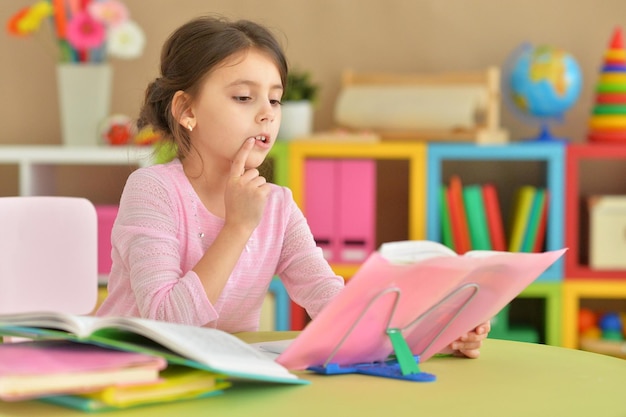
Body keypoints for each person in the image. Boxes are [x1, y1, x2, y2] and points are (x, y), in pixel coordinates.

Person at [97, 15, 490, 358]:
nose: (267, 113)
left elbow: (334, 304)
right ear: (187, 111)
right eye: (244, 97)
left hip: (221, 384)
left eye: (275, 99)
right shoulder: (153, 190)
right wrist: (237, 228)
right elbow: (164, 321)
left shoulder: (277, 206)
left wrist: (434, 333)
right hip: (137, 375)